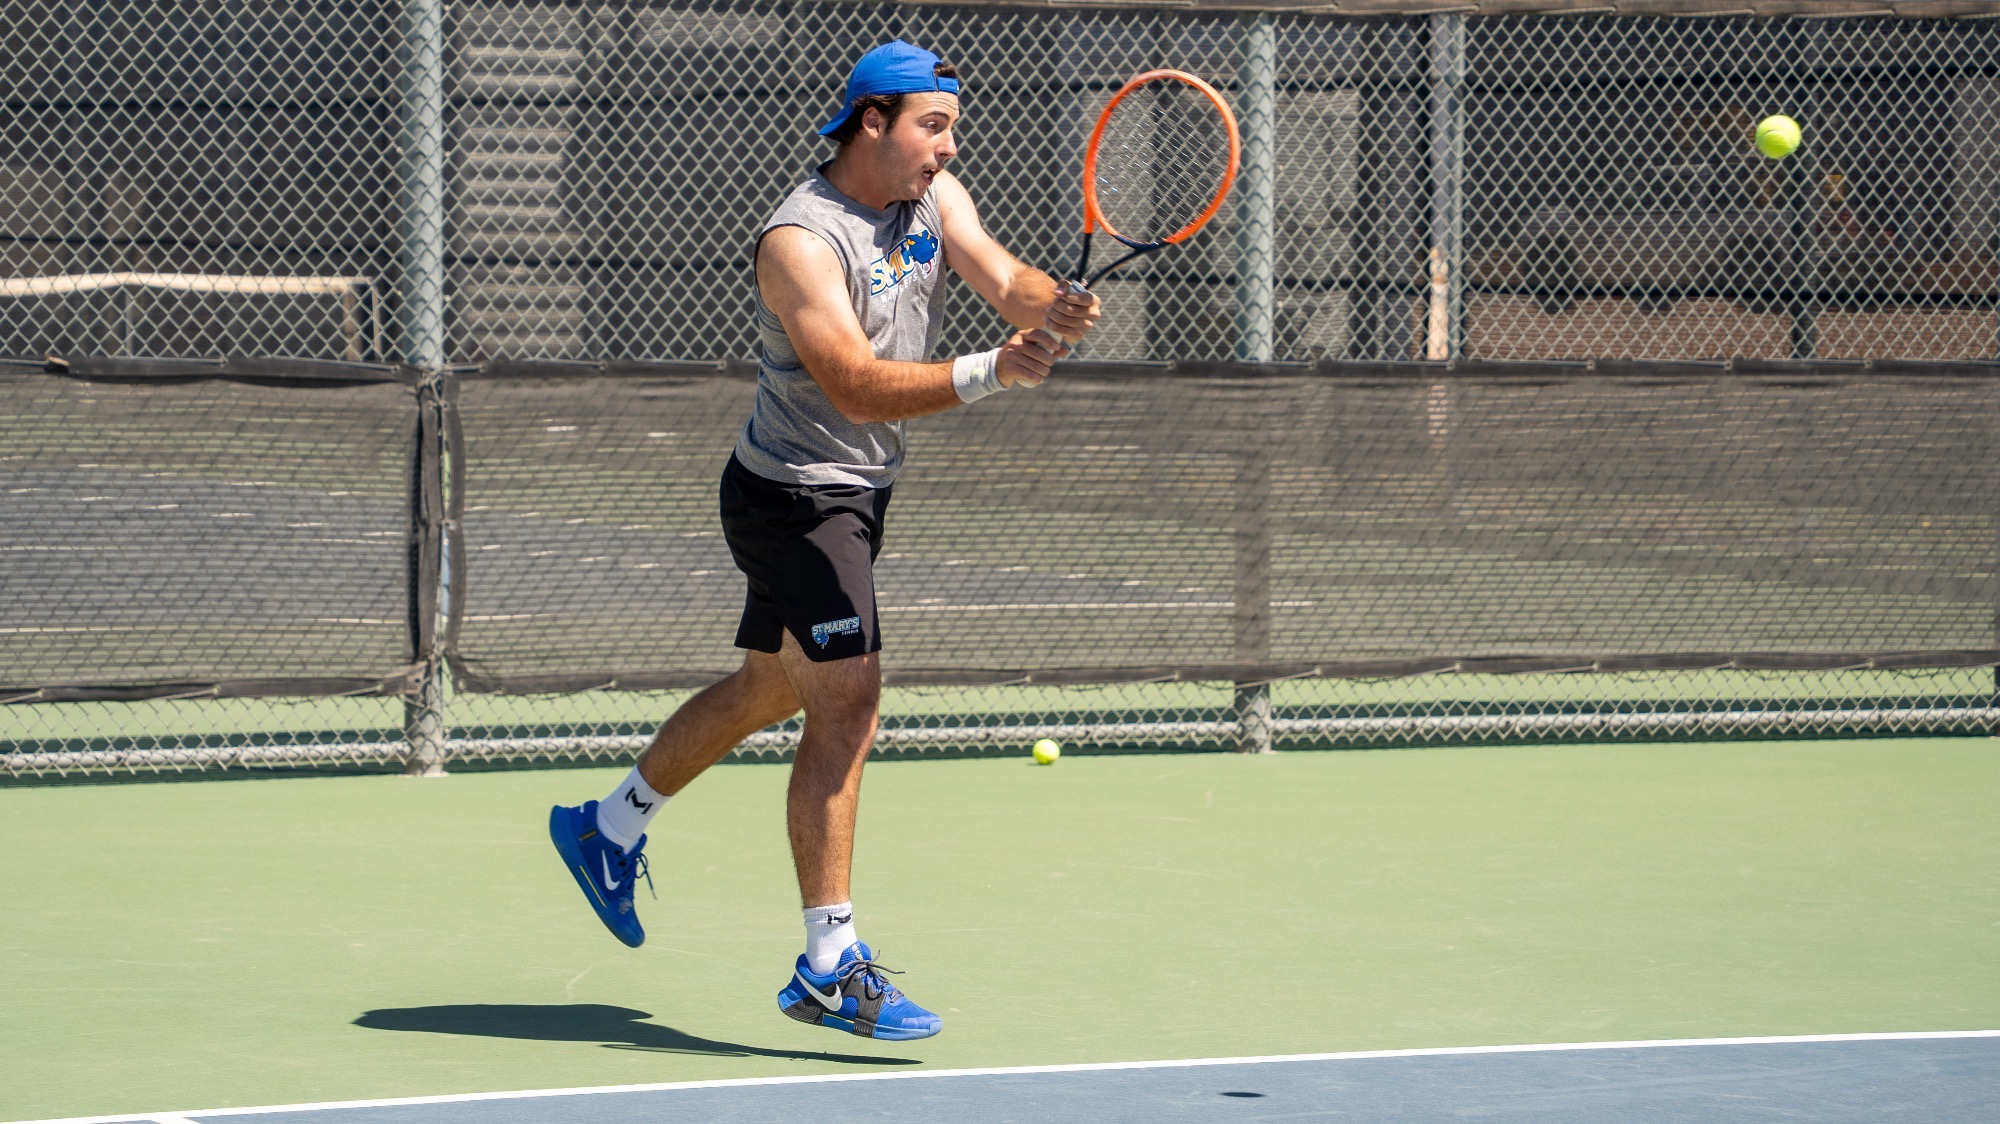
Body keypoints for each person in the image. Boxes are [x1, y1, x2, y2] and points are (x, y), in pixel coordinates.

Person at [548, 40, 1101, 1042]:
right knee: (847, 703)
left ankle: (608, 825)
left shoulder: (934, 199)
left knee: (769, 690)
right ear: (871, 121)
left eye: (951, 129)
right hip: (794, 500)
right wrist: (992, 370)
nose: (947, 147)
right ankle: (828, 963)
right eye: (931, 127)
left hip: (855, 492)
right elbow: (851, 383)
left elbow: (1004, 278)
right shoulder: (798, 241)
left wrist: (1051, 305)